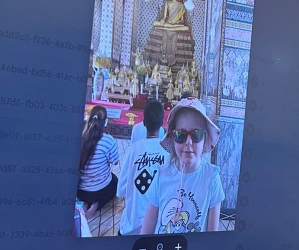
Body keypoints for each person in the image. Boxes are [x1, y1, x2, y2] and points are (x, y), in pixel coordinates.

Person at [140, 98, 224, 234]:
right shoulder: (161, 176)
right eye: (181, 135)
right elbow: (146, 231)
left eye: (196, 134)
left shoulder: (212, 178)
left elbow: (212, 237)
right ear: (173, 138)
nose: (188, 142)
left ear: (205, 138)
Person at [117, 98, 167, 235]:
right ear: (162, 124)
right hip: (158, 229)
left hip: (131, 227)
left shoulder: (132, 150)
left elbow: (120, 190)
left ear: (144, 122)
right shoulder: (168, 153)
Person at [76, 105, 119, 219]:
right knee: (115, 181)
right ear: (105, 122)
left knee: (87, 191)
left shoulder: (80, 137)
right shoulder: (108, 140)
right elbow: (115, 161)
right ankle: (95, 205)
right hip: (101, 191)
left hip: (81, 191)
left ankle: (84, 203)